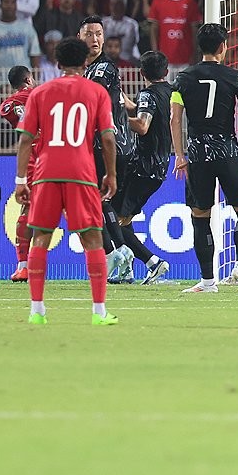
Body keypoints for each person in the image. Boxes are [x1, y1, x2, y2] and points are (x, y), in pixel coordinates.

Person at [13, 37, 119, 326]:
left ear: (58, 64)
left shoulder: (39, 93)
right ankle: (99, 312)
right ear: (86, 62)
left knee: (41, 238)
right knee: (92, 238)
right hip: (82, 174)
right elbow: (108, 137)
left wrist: (21, 179)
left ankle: (37, 311)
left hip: (46, 173)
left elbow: (25, 139)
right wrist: (110, 173)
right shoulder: (96, 92)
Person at [171, 23, 238, 293]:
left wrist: (180, 155)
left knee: (200, 215)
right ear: (223, 47)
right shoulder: (234, 77)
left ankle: (207, 281)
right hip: (227, 151)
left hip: (198, 153)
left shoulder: (183, 78)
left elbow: (175, 118)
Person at [79, 15, 137, 283]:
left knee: (91, 200)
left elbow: (93, 97)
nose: (95, 39)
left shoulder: (102, 69)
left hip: (108, 144)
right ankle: (124, 258)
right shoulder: (90, 69)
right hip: (109, 144)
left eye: (99, 33)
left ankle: (115, 253)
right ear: (80, 37)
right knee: (104, 201)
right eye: (89, 33)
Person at [118, 51, 173, 285]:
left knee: (113, 219)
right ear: (166, 72)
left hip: (143, 167)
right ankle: (135, 266)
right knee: (123, 219)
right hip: (159, 166)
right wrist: (123, 104)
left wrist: (112, 118)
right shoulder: (170, 91)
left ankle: (148, 262)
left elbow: (141, 125)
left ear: (141, 73)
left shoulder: (147, 95)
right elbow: (142, 110)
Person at [0, 65, 36, 282]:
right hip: (55, 155)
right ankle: (107, 256)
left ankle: (23, 266)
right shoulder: (42, 94)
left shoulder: (7, 105)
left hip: (31, 157)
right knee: (74, 209)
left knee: (28, 209)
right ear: (29, 79)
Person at [147, 0, 200, 65]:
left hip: (186, 59)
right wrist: (155, 53)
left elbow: (194, 32)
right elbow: (153, 29)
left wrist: (195, 54)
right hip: (164, 60)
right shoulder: (158, 2)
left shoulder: (191, 3)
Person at [0, 0, 40, 70]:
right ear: (0, 5)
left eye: (12, 3)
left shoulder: (27, 28)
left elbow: (34, 55)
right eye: (6, 2)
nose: (9, 6)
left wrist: (34, 79)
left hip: (22, 78)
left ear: (16, 6)